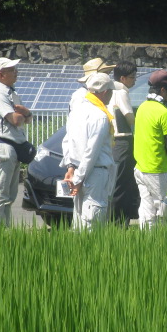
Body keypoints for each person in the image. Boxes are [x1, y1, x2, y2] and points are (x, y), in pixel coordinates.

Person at [63, 73, 117, 230]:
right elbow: (91, 151)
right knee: (94, 219)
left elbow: (68, 141)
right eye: (111, 92)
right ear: (105, 92)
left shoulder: (76, 111)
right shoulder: (100, 116)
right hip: (95, 172)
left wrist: (71, 168)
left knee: (79, 218)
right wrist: (79, 179)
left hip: (77, 170)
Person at [134, 69, 167, 229]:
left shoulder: (142, 107)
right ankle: (162, 241)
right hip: (157, 169)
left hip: (140, 167)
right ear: (163, 90)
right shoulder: (164, 112)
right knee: (164, 205)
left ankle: (147, 240)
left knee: (146, 207)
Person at [0, 58, 33, 227]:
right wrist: (24, 114)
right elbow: (16, 119)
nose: (16, 72)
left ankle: (4, 231)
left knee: (10, 196)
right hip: (3, 146)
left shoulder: (11, 92)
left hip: (12, 147)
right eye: (12, 70)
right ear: (1, 74)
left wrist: (25, 113)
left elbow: (26, 118)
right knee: (0, 195)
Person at [107, 61, 139, 225]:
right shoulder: (121, 91)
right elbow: (129, 117)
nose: (134, 80)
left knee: (115, 182)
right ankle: (118, 221)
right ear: (123, 78)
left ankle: (114, 220)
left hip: (112, 141)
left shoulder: (108, 90)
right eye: (132, 77)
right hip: (123, 141)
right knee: (123, 182)